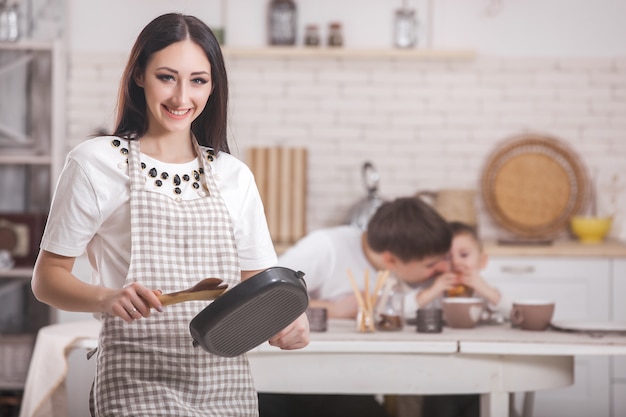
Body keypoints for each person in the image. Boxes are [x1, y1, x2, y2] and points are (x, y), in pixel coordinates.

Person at [31, 13, 309, 416]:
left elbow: (258, 291)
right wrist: (107, 297)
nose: (182, 98)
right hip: (134, 379)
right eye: (167, 77)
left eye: (198, 80)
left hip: (223, 383)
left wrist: (287, 320)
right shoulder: (95, 162)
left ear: (213, 86)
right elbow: (47, 279)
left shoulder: (234, 175)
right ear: (139, 75)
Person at [259, 196, 455, 417]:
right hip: (285, 376)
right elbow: (266, 297)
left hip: (347, 377)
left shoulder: (406, 266)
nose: (439, 268)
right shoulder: (326, 247)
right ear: (390, 260)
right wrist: (332, 310)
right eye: (430, 265)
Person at [421, 220, 512, 417]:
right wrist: (433, 290)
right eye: (447, 257)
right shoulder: (435, 294)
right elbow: (409, 311)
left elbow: (516, 314)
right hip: (441, 373)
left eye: (464, 255)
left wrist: (485, 290)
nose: (456, 263)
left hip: (483, 370)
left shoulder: (487, 294)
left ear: (483, 262)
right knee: (438, 400)